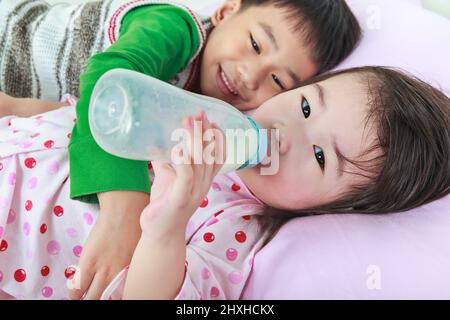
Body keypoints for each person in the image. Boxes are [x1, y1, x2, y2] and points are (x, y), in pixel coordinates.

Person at [0, 0, 361, 299]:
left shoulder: (222, 150)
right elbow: (105, 77)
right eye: (255, 44)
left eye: (278, 80)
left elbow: (69, 115)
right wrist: (121, 217)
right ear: (225, 11)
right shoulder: (174, 28)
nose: (250, 76)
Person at [0, 66, 448, 299]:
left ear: (337, 209)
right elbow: (86, 119)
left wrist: (166, 224)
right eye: (308, 107)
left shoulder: (237, 228)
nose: (289, 135)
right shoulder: (212, 110)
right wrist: (17, 108)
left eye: (319, 156)